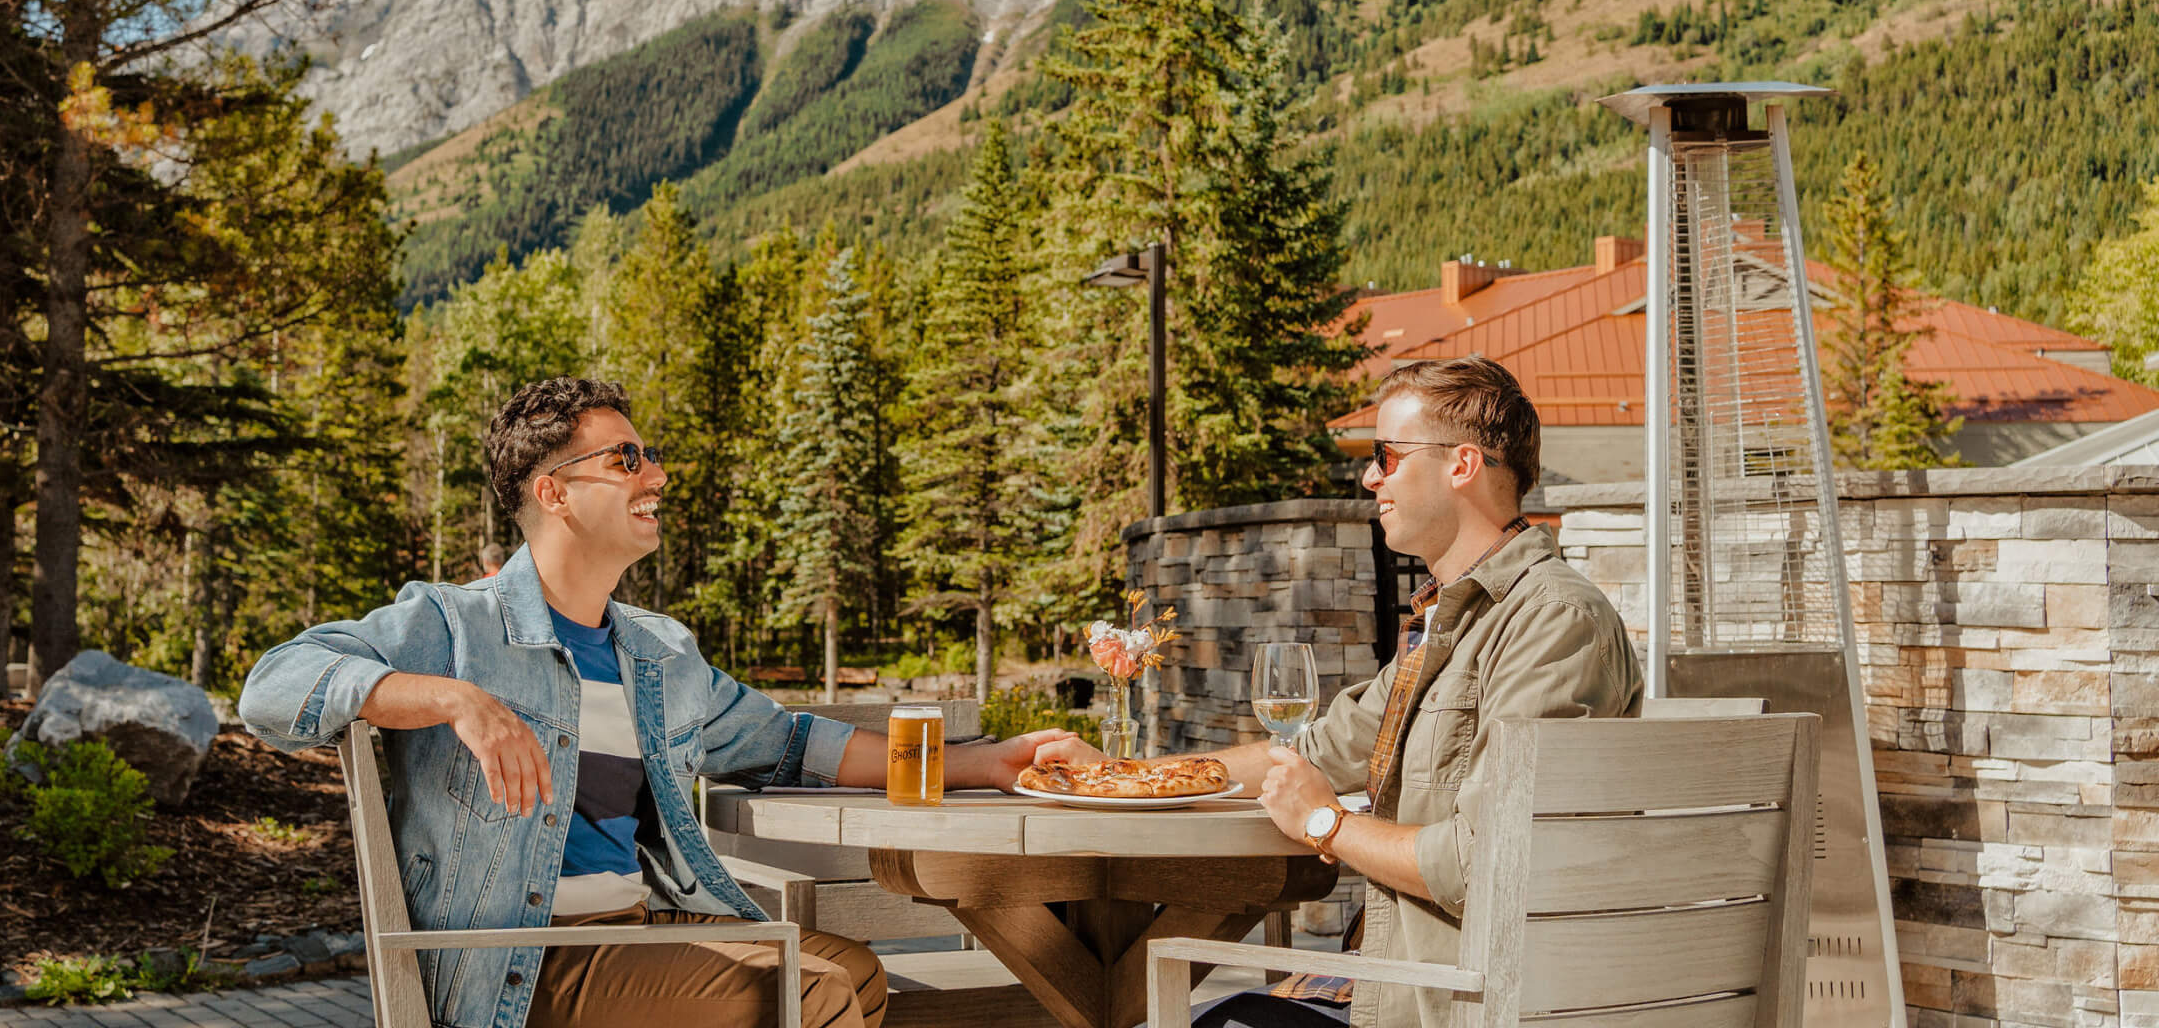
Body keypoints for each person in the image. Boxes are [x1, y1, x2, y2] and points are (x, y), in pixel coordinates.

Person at [240, 378, 1069, 1028]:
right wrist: (455, 698)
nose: (657, 475)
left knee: (852, 971)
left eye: (649, 455)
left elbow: (789, 744)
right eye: (626, 460)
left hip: (645, 933)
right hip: (513, 965)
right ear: (555, 492)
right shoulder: (453, 625)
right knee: (808, 996)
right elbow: (273, 685)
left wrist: (982, 764)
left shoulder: (659, 652)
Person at [1042, 355, 1644, 1028]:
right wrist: (1125, 776)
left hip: (1462, 1005)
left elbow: (1483, 865)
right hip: (1401, 984)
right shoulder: (1452, 624)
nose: (1369, 477)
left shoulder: (1553, 623)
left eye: (1387, 456)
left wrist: (1327, 824)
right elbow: (1316, 754)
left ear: (1462, 465)